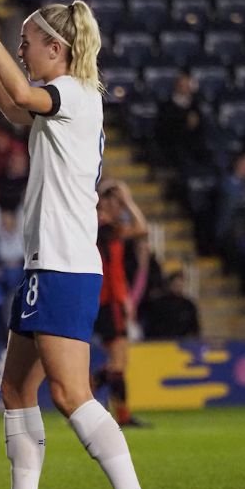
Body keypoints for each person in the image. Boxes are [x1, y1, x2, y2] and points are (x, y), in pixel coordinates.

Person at [0, 0, 158, 489]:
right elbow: (12, 103)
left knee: (71, 394)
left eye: (26, 43)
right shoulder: (65, 96)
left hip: (63, 265)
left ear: (56, 46)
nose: (22, 51)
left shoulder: (72, 90)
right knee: (16, 388)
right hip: (48, 264)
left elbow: (20, 91)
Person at [94, 180, 148, 428]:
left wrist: (126, 297)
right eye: (114, 203)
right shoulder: (102, 230)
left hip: (114, 300)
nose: (119, 208)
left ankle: (86, 392)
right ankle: (86, 396)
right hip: (108, 301)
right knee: (118, 360)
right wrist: (128, 201)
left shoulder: (108, 229)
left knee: (119, 362)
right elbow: (141, 228)